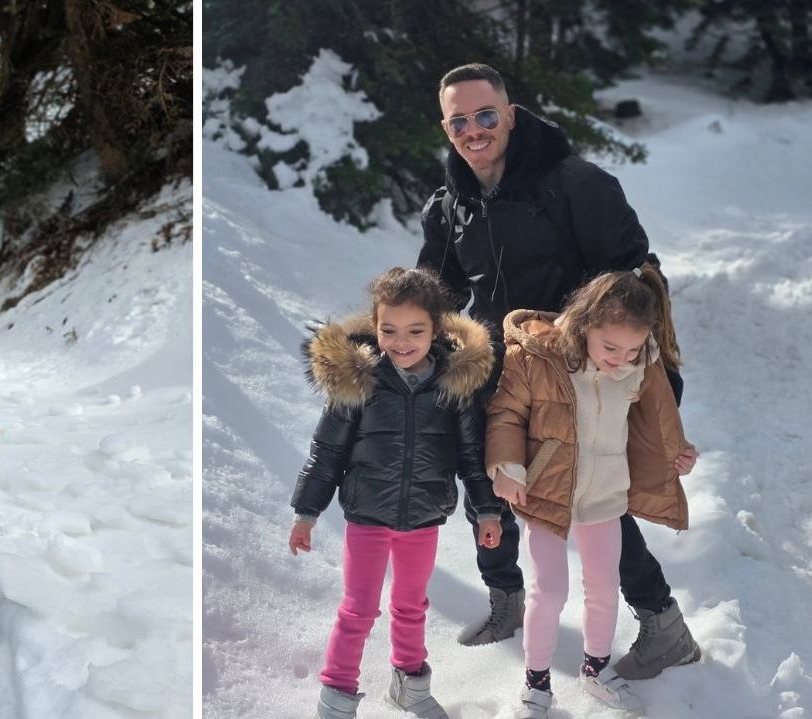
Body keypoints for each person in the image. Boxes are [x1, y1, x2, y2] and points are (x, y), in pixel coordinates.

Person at [417, 62, 700, 680]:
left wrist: (650, 379)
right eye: (459, 121)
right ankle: (506, 600)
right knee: (486, 484)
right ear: (446, 128)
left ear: (510, 115)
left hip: (577, 376)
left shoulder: (576, 184)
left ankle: (663, 624)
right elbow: (436, 294)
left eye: (485, 115)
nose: (474, 130)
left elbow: (634, 280)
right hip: (500, 371)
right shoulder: (449, 206)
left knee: (595, 502)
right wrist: (390, 346)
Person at [289, 267, 506, 719]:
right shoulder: (360, 381)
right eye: (388, 330)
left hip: (423, 518)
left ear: (437, 330)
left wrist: (488, 510)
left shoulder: (453, 386)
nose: (400, 342)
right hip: (367, 515)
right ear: (375, 325)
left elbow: (471, 456)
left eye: (415, 331)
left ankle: (409, 686)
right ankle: (336, 699)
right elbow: (327, 451)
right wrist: (306, 513)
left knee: (411, 606)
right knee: (358, 610)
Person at [484, 265, 698, 718]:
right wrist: (507, 467)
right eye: (611, 347)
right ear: (584, 326)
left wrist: (678, 454)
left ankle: (595, 669)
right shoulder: (538, 358)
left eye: (632, 348)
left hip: (606, 495)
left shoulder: (641, 366)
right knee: (549, 592)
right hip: (546, 493)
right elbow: (506, 413)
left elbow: (658, 425)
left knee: (604, 587)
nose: (621, 358)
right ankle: (536, 682)